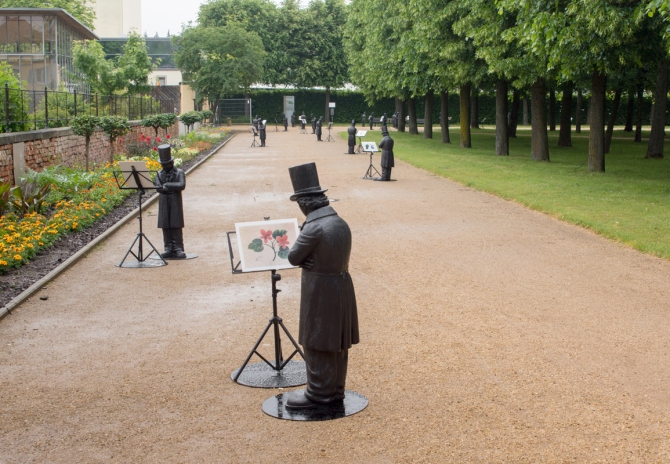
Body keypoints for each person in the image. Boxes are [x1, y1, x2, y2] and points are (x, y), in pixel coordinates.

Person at [286, 162, 359, 409]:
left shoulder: (314, 227)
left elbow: (293, 257)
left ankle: (318, 394)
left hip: (320, 291)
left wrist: (305, 257)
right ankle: (335, 389)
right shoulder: (339, 221)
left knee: (316, 340)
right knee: (336, 341)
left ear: (304, 204)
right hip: (340, 286)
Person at [155, 144, 186, 259]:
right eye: (163, 164)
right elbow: (158, 187)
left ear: (172, 162)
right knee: (165, 224)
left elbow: (181, 185)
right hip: (164, 201)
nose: (165, 166)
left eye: (167, 164)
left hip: (175, 201)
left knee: (175, 223)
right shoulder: (159, 174)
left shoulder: (179, 172)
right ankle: (168, 247)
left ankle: (178, 247)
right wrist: (167, 188)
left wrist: (167, 185)